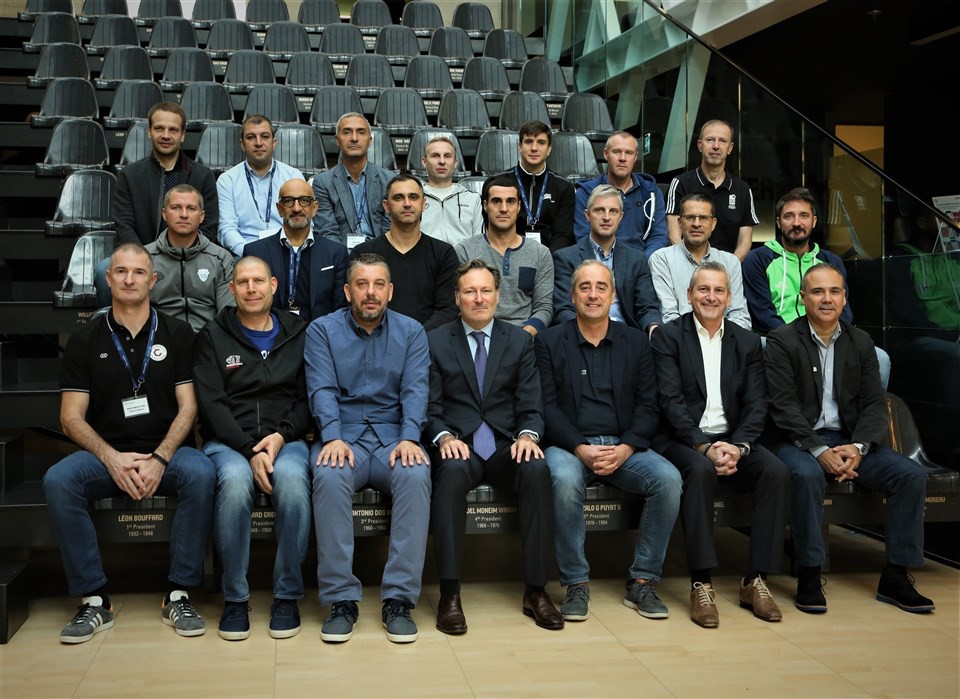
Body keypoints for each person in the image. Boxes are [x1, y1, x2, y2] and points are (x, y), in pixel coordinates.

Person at [42, 243, 215, 644]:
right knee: (58, 480)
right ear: (108, 278)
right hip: (104, 455)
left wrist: (159, 457)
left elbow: (188, 408)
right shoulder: (84, 339)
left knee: (202, 472)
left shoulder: (178, 332)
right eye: (121, 271)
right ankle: (94, 600)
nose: (129, 279)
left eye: (139, 272)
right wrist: (112, 458)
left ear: (153, 280)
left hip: (167, 452)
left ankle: (178, 593)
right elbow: (70, 417)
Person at [764, 263, 935, 615]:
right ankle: (809, 573)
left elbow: (875, 403)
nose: (826, 299)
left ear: (844, 298)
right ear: (802, 298)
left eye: (834, 292)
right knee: (807, 474)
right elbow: (782, 406)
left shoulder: (861, 341)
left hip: (850, 440)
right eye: (817, 292)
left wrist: (858, 448)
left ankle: (896, 575)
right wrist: (819, 449)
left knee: (911, 475)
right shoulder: (782, 341)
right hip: (796, 440)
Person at [536, 260, 681, 622]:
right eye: (584, 287)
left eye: (601, 287)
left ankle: (643, 581)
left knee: (668, 480)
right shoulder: (551, 341)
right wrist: (580, 448)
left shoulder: (635, 341)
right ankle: (576, 584)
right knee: (564, 480)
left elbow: (650, 405)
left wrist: (627, 447)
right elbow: (546, 406)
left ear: (613, 295)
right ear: (572, 296)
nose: (593, 294)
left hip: (624, 445)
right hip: (569, 445)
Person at [426, 259, 562, 634]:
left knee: (537, 469)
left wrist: (528, 436)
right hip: (461, 444)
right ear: (457, 298)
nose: (479, 298)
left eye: (486, 290)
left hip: (506, 444)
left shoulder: (518, 340)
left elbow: (531, 403)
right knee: (450, 474)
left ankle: (536, 590)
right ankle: (450, 593)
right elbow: (429, 406)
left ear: (498, 296)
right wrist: (444, 436)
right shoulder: (436, 340)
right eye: (469, 291)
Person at [650, 261, 789, 628]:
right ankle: (702, 582)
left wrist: (739, 446)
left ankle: (755, 579)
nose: (711, 297)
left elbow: (758, 403)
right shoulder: (667, 337)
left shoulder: (746, 342)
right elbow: (670, 401)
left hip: (733, 438)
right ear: (689, 295)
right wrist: (703, 446)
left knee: (775, 471)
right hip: (683, 440)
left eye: (718, 291)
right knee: (698, 471)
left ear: (729, 297)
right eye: (703, 289)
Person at [305, 253, 431, 644]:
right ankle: (341, 600)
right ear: (347, 291)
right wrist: (332, 436)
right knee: (328, 474)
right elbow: (321, 388)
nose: (371, 293)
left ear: (390, 291)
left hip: (395, 436)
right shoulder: (322, 331)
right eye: (362, 284)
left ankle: (398, 600)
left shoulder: (412, 332)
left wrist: (411, 436)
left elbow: (415, 389)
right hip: (344, 436)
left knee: (416, 473)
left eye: (379, 284)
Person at [193, 256, 313, 641]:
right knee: (233, 483)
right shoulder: (212, 336)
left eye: (258, 281)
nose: (251, 288)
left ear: (273, 285)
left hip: (286, 439)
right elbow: (212, 404)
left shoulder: (299, 332)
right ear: (231, 289)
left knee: (294, 484)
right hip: (229, 442)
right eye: (242, 282)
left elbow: (308, 399)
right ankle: (235, 597)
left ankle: (287, 595)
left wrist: (279, 438)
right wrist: (249, 449)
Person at [742, 187, 891, 386]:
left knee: (880, 359)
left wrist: (823, 339)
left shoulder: (830, 261)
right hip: (775, 339)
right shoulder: (758, 258)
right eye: (789, 216)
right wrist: (801, 342)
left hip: (826, 336)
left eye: (804, 216)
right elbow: (763, 315)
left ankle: (864, 416)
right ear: (778, 222)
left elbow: (843, 311)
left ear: (813, 221)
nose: (796, 223)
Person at [97, 102, 219, 307]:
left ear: (183, 135)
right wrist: (145, 258)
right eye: (159, 128)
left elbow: (209, 226)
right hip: (142, 255)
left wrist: (183, 256)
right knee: (103, 271)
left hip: (190, 256)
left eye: (173, 130)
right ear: (149, 132)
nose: (166, 135)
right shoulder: (130, 175)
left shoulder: (202, 175)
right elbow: (124, 225)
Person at [351, 174, 459, 330]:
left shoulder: (444, 254)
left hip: (428, 345)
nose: (407, 204)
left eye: (413, 197)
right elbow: (357, 306)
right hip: (375, 341)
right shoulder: (364, 253)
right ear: (386, 206)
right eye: (399, 198)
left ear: (423, 204)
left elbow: (447, 310)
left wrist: (416, 340)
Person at [553, 184, 661, 334]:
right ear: (587, 215)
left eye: (613, 211)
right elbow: (563, 309)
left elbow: (647, 307)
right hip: (582, 337)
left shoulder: (637, 259)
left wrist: (653, 328)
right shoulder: (565, 258)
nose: (606, 217)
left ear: (621, 217)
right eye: (599, 210)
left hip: (626, 337)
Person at [455, 178, 554, 335]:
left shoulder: (540, 253)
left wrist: (522, 338)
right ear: (485, 205)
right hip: (479, 337)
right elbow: (460, 305)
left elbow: (544, 308)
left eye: (510, 201)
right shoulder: (464, 251)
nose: (503, 208)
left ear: (519, 206)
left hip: (525, 339)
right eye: (496, 201)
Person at [243, 178, 348, 323]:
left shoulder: (335, 253)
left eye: (304, 200)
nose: (297, 208)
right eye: (288, 201)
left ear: (315, 208)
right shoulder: (256, 252)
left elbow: (340, 309)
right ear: (279, 208)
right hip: (272, 337)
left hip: (320, 337)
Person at [648, 193, 751, 329]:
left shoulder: (730, 262)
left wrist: (724, 342)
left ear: (713, 224)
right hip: (681, 341)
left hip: (725, 341)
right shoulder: (662, 259)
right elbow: (669, 316)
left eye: (703, 218)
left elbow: (739, 315)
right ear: (679, 222)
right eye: (690, 217)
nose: (696, 224)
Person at [146, 184, 235, 332]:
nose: (184, 214)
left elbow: (228, 313)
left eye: (191, 208)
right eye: (176, 207)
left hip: (207, 339)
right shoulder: (146, 258)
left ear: (201, 216)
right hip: (158, 339)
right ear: (164, 214)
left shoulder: (220, 258)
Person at [664, 120, 758, 259]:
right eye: (710, 140)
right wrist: (692, 264)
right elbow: (674, 235)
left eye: (722, 141)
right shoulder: (680, 183)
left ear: (730, 148)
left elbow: (744, 241)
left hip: (727, 272)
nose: (716, 146)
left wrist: (728, 269)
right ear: (700, 145)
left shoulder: (742, 189)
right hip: (687, 265)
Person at [217, 114, 305, 257]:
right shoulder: (227, 180)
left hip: (287, 251)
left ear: (274, 142)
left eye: (264, 136)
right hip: (245, 253)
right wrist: (250, 252)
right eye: (251, 137)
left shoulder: (293, 176)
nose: (258, 143)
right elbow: (227, 229)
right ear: (242, 144)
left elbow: (305, 223)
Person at [483, 120, 575, 253]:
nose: (534, 148)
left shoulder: (564, 187)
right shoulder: (496, 183)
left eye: (541, 142)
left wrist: (546, 261)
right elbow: (492, 229)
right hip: (505, 254)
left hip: (549, 259)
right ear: (520, 146)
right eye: (528, 142)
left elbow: (563, 235)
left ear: (549, 149)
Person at [574, 131, 668, 256]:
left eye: (629, 153)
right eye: (617, 152)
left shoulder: (651, 192)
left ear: (635, 157)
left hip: (642, 264)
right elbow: (583, 237)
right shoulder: (586, 193)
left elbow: (658, 236)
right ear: (606, 154)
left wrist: (641, 264)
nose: (622, 158)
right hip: (599, 263)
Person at [312, 112, 394, 249]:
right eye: (347, 132)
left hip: (381, 255)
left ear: (370, 141)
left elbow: (390, 228)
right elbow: (327, 231)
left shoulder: (389, 181)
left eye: (361, 132)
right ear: (337, 140)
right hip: (341, 257)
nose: (354, 138)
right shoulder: (322, 183)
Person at [420, 134, 483, 245]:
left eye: (447, 156)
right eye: (435, 156)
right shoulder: (415, 199)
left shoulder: (473, 200)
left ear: (455, 163)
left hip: (463, 261)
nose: (442, 161)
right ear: (424, 162)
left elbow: (479, 243)